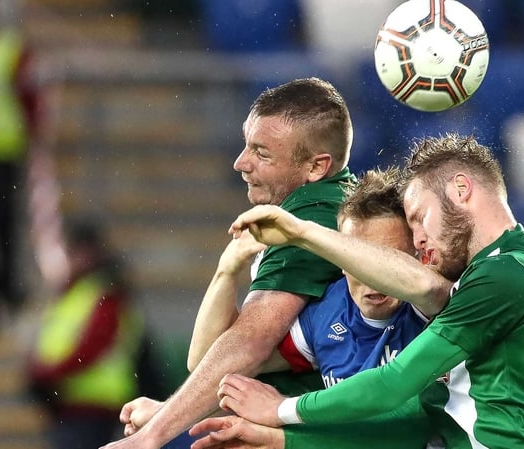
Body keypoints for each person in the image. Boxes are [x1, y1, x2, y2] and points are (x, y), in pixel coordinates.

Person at [194, 134, 524, 449]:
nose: (420, 239)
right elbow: (412, 419)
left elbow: (393, 384)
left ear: (461, 190)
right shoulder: (496, 278)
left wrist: (280, 411)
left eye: (420, 217)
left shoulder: (507, 275)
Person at [100, 77, 360, 449]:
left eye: (262, 153)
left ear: (316, 167)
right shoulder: (308, 208)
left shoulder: (315, 213)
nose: (241, 163)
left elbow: (248, 343)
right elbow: (208, 357)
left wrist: (152, 435)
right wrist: (227, 269)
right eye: (246, 145)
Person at [125, 169, 439, 449]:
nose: (374, 279)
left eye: (387, 259)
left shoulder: (433, 308)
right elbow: (209, 362)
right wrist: (227, 271)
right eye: (360, 260)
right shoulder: (325, 314)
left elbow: (405, 423)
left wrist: (283, 410)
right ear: (343, 262)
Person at [26, 219, 145, 449]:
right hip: (72, 404)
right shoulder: (78, 291)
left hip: (96, 405)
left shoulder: (105, 293)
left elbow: (93, 347)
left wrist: (48, 373)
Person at [0, 3, 42, 324]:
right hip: (3, 152)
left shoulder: (11, 51)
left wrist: (34, 134)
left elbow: (30, 97)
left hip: (5, 153)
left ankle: (5, 288)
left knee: (4, 224)